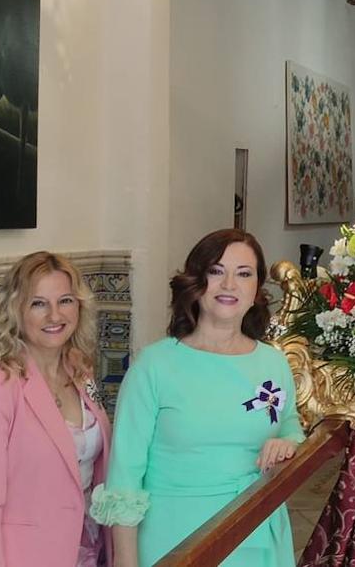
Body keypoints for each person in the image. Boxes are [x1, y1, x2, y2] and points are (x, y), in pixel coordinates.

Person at [91, 229, 305, 567]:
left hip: (257, 534)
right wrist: (126, 561)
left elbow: (290, 421)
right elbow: (124, 476)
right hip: (175, 537)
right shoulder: (155, 365)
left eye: (244, 274)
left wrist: (289, 441)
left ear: (257, 289)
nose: (229, 285)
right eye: (216, 271)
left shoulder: (272, 362)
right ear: (196, 281)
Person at [0, 251, 113, 567]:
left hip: (87, 551)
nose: (55, 316)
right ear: (16, 311)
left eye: (65, 301)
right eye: (38, 304)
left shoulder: (80, 370)